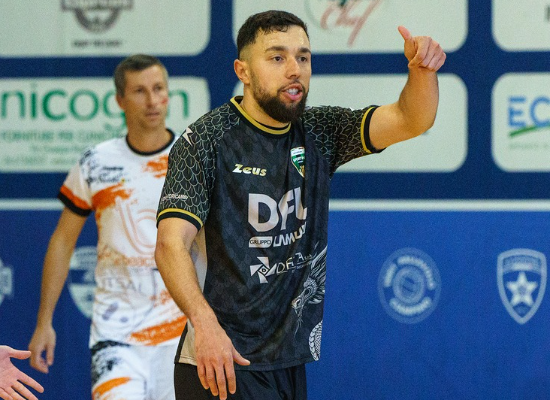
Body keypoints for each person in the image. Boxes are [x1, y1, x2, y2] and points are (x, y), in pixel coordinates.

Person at [155, 10, 446, 400]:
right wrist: (204, 324)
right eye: (277, 57)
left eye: (303, 57)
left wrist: (422, 71)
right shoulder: (206, 140)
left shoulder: (320, 132)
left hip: (287, 360)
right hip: (221, 360)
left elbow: (412, 119)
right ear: (243, 71)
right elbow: (170, 244)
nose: (295, 69)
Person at [28, 54, 187, 400]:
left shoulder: (193, 158)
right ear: (119, 100)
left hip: (181, 334)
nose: (152, 100)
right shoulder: (96, 162)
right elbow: (62, 242)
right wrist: (44, 322)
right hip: (115, 335)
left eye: (159, 88)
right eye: (140, 91)